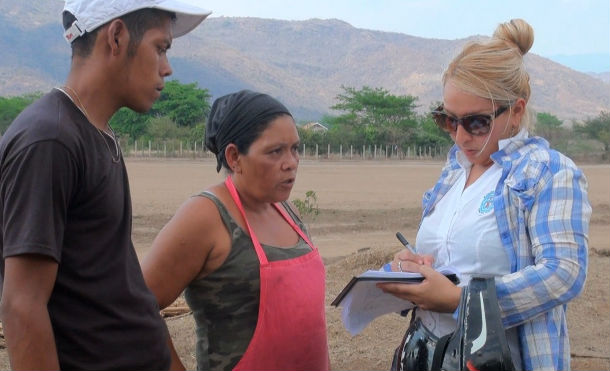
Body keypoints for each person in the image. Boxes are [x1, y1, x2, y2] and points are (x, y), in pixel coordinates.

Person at [0, 1, 210, 370]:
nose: (167, 67)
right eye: (160, 48)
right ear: (116, 37)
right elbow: (22, 306)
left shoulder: (96, 133)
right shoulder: (50, 140)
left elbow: (119, 287)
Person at [377, 19, 591, 371]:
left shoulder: (549, 171)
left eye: (476, 122)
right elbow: (452, 254)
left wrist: (461, 300)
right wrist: (413, 264)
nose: (461, 136)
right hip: (430, 353)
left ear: (517, 111)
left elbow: (562, 273)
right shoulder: (455, 170)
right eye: (448, 120)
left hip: (500, 360)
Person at [142, 90, 330, 371]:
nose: (291, 162)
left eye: (295, 149)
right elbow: (136, 304)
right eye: (275, 151)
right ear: (234, 157)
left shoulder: (289, 212)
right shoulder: (205, 216)